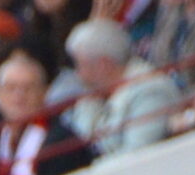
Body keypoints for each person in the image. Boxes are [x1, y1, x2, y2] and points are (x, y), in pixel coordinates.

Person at [0, 49, 90, 175]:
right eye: (11, 88)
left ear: (44, 93)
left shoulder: (62, 141)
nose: (18, 97)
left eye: (28, 88)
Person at [59, 19, 173, 156]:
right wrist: (89, 106)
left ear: (103, 65)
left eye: (80, 65)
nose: (79, 75)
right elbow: (87, 145)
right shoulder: (95, 96)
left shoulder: (149, 92)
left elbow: (136, 155)